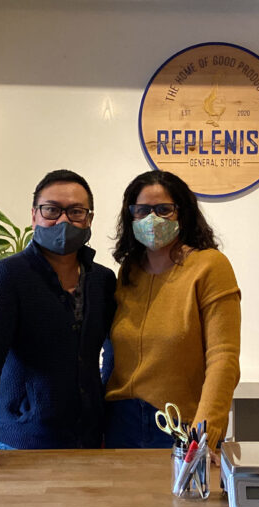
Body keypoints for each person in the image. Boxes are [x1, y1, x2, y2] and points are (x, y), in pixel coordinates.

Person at [0, 170, 117, 474]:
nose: (64, 221)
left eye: (76, 212)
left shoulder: (102, 280)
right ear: (34, 215)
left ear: (89, 219)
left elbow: (114, 350)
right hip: (23, 443)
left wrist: (102, 403)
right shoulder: (8, 276)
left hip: (90, 440)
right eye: (52, 210)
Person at [104, 170, 241, 451]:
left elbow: (223, 358)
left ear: (183, 213)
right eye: (141, 210)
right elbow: (113, 354)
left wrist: (205, 432)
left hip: (180, 426)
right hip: (120, 422)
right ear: (130, 217)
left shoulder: (210, 267)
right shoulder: (129, 271)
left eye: (164, 210)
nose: (152, 219)